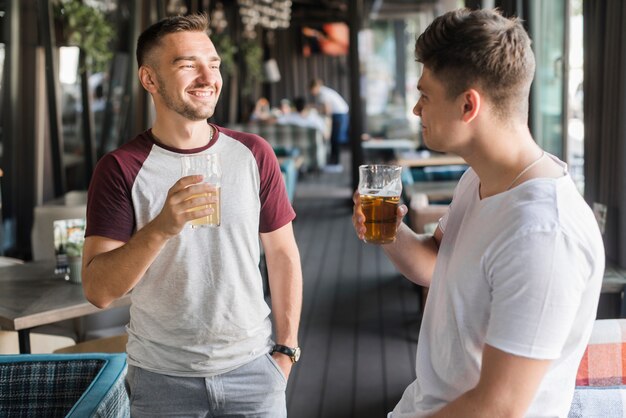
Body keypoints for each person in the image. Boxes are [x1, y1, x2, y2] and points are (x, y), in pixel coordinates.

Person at [352, 8, 604, 418]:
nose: (417, 110)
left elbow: (499, 408)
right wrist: (389, 231)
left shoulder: (543, 233)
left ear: (469, 105)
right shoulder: (480, 178)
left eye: (425, 95)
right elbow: (437, 267)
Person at [82, 14, 303, 418]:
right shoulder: (121, 168)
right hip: (161, 380)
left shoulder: (253, 153)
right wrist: (161, 228)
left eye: (214, 64)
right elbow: (99, 290)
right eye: (188, 65)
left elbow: (283, 255)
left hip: (254, 371)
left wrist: (285, 352)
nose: (208, 77)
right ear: (149, 79)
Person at [309, 78, 349, 165]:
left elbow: (327, 110)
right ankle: (334, 161)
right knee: (334, 139)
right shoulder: (324, 92)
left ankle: (335, 163)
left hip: (339, 115)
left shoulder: (323, 93)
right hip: (339, 114)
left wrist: (327, 125)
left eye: (311, 90)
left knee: (335, 139)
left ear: (315, 87)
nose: (311, 92)